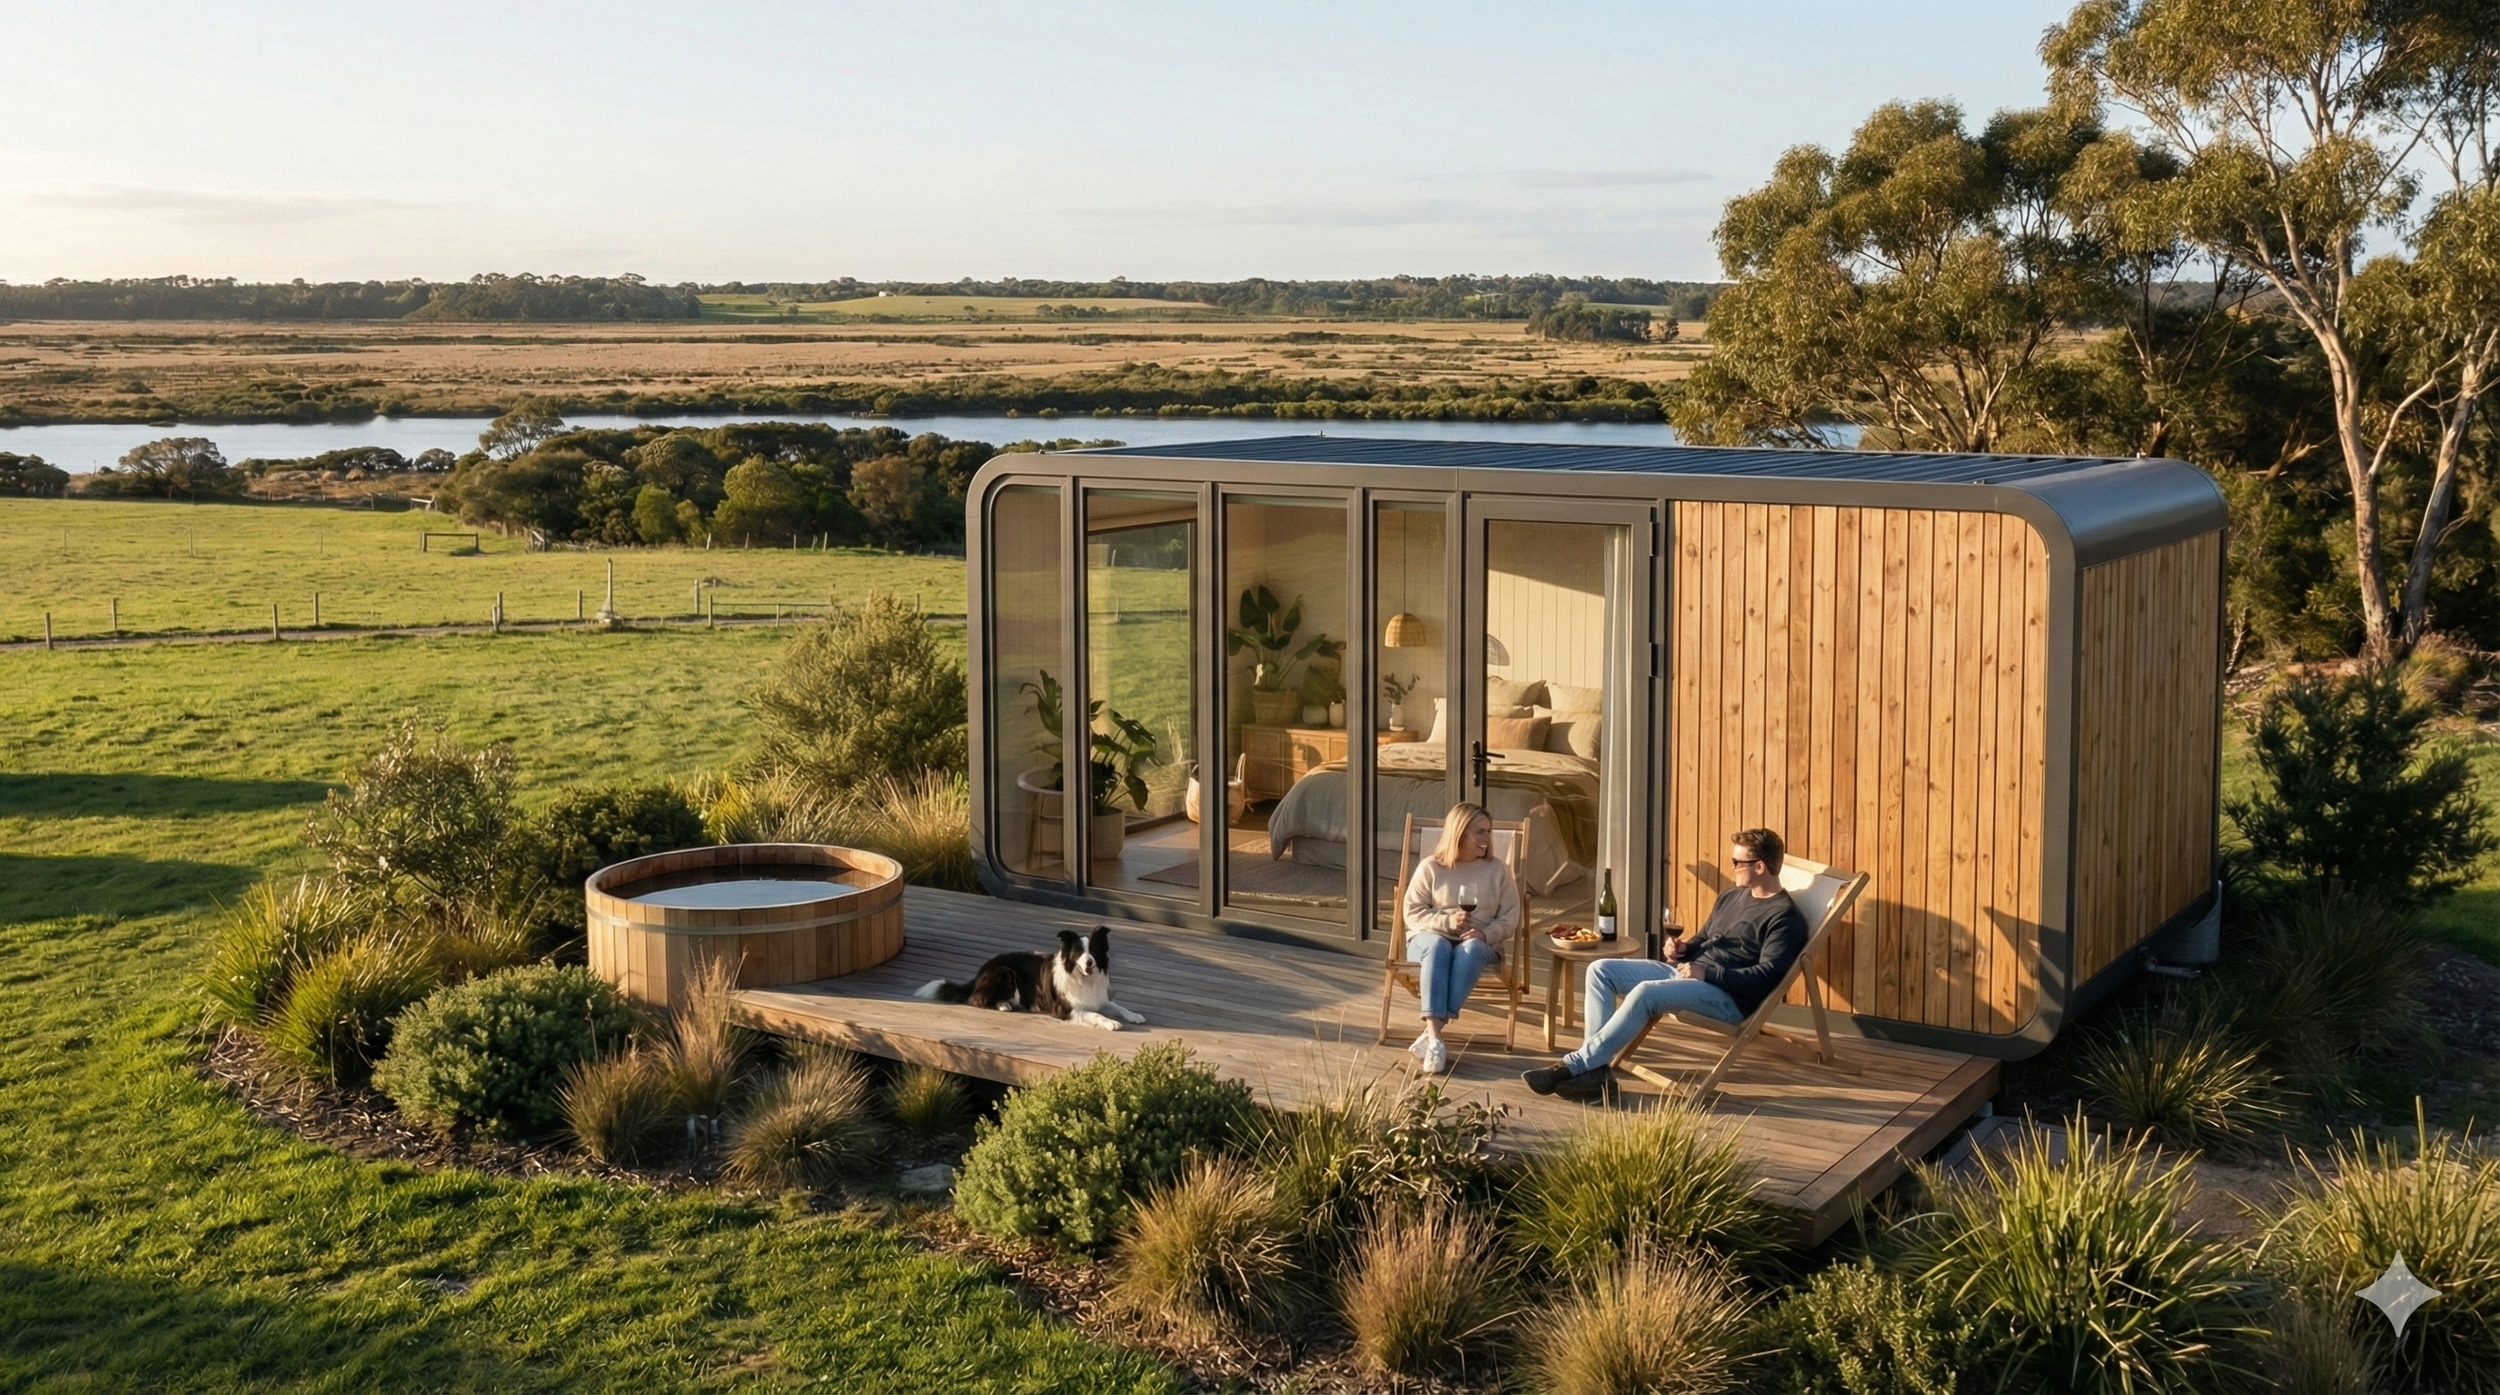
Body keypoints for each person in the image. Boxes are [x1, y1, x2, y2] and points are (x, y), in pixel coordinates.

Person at [1522, 827, 1807, 1102]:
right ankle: (1595, 1072)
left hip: (1727, 998)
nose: (1732, 867)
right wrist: (1684, 949)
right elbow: (1705, 938)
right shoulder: (1732, 896)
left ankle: (1574, 1064)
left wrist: (1707, 973)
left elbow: (1766, 977)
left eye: (1737, 862)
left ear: (1759, 867)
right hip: (1688, 974)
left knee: (1648, 992)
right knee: (1601, 970)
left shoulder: (1784, 917)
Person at [1400, 802, 1521, 1075]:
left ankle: (1433, 1038)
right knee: (1437, 945)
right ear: (1460, 832)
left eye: (1488, 832)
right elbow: (1412, 913)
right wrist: (1445, 922)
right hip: (1428, 939)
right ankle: (1435, 1038)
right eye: (1480, 832)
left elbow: (1510, 918)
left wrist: (1485, 933)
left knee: (1472, 949)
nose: (1487, 839)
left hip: (1479, 943)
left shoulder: (1499, 871)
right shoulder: (1431, 867)